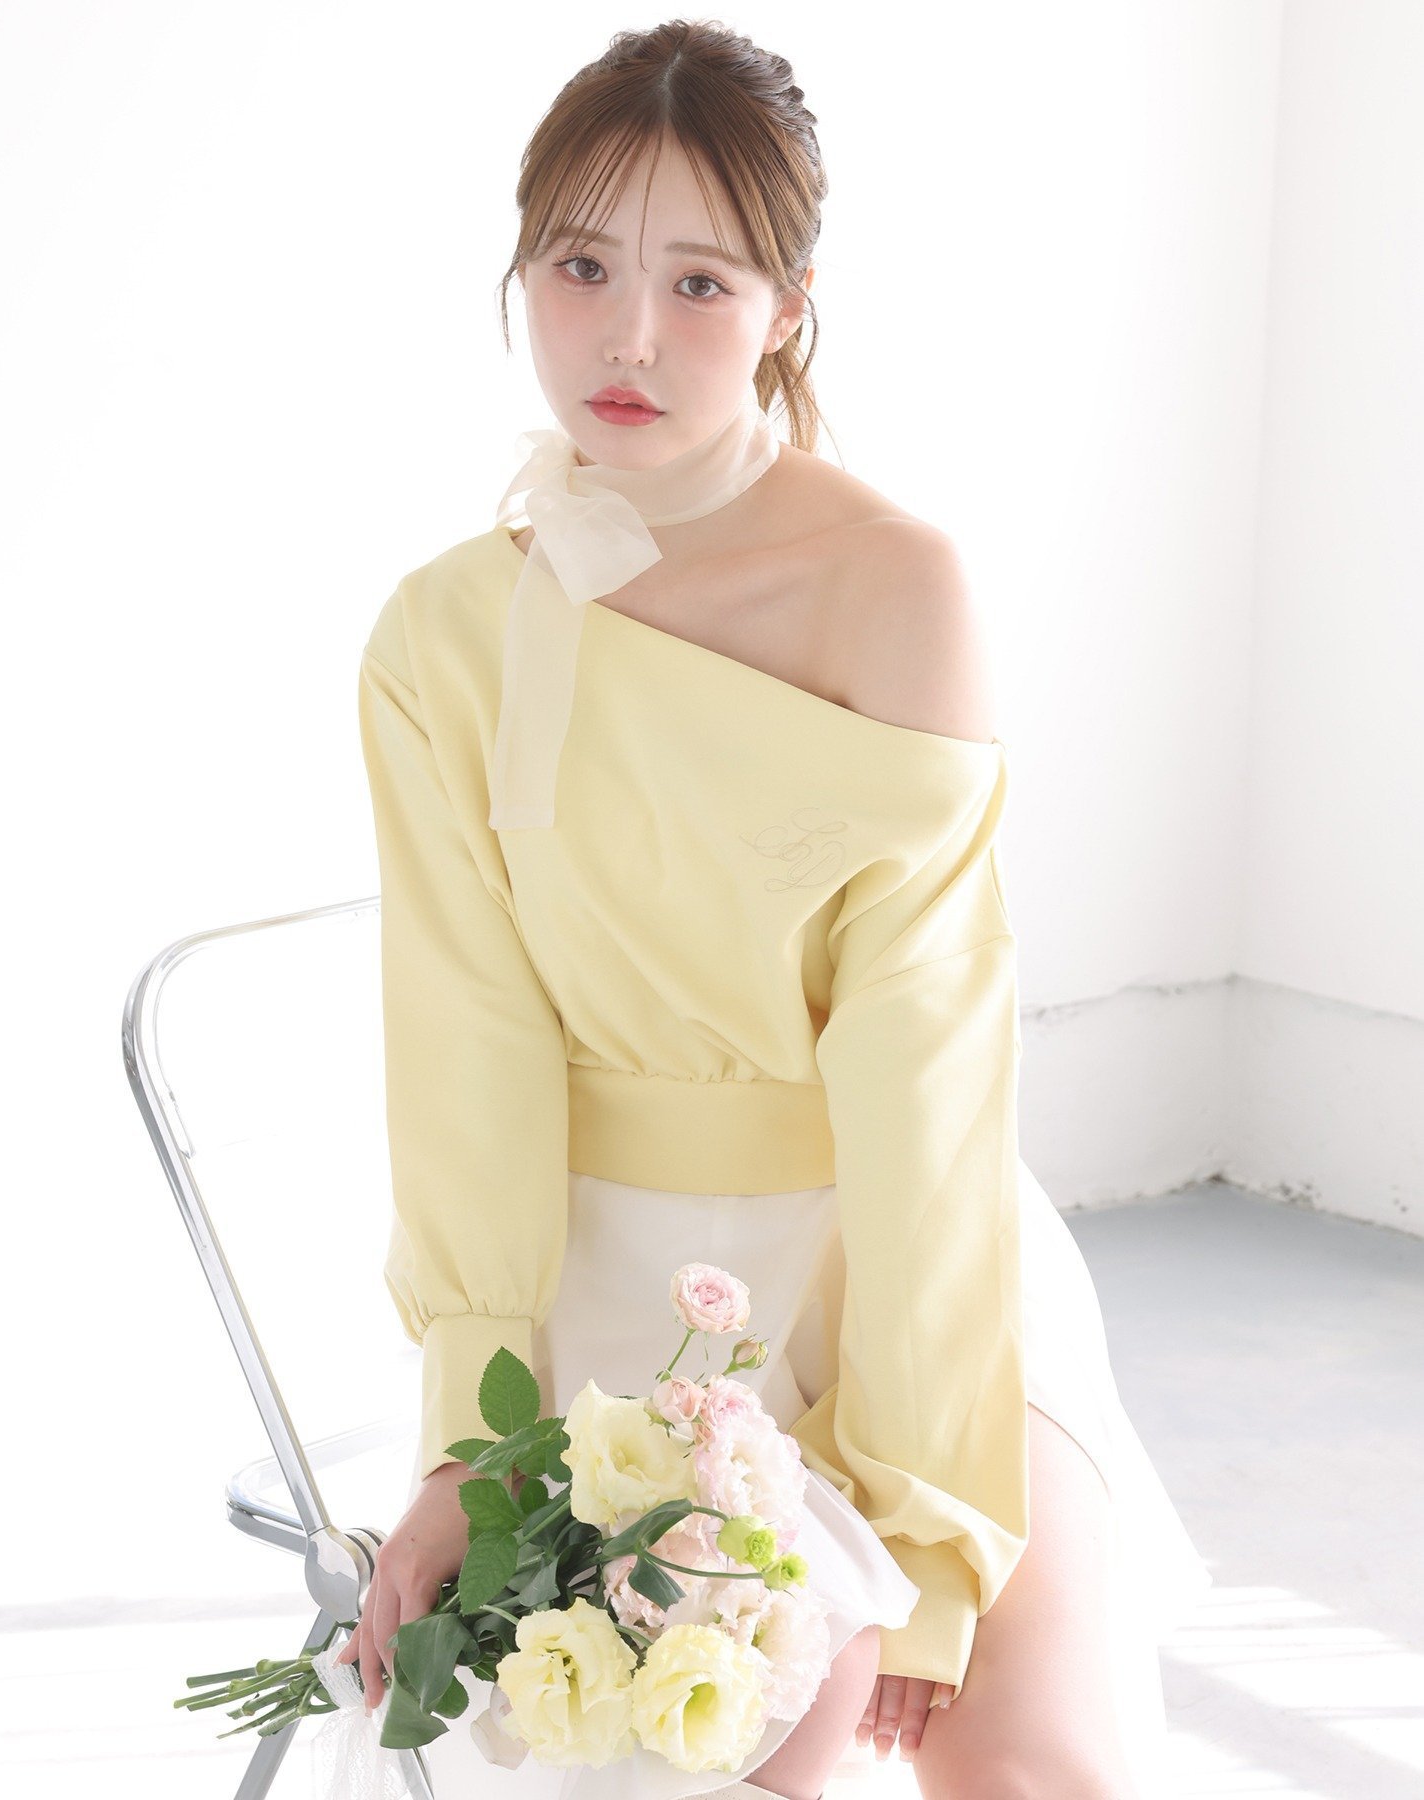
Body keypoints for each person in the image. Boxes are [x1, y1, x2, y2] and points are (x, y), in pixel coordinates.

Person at [339, 20, 1211, 1800]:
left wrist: (924, 1519)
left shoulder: (896, 587)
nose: (628, 338)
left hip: (900, 1258)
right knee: (702, 1763)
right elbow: (468, 1059)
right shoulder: (443, 634)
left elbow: (927, 1067)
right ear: (521, 272)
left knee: (1032, 1767)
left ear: (788, 307)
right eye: (580, 266)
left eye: (700, 281)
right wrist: (470, 1446)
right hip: (613, 1306)